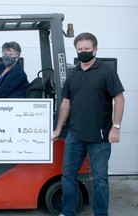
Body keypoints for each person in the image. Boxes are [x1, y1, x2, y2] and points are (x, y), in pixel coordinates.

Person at [52, 32, 125, 216]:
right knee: (68, 176)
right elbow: (66, 103)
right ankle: (68, 212)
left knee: (100, 179)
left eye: (87, 49)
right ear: (76, 50)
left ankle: (101, 214)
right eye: (80, 49)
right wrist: (58, 129)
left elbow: (119, 98)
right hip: (75, 136)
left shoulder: (106, 71)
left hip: (99, 138)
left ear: (95, 50)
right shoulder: (73, 73)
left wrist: (116, 128)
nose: (83, 52)